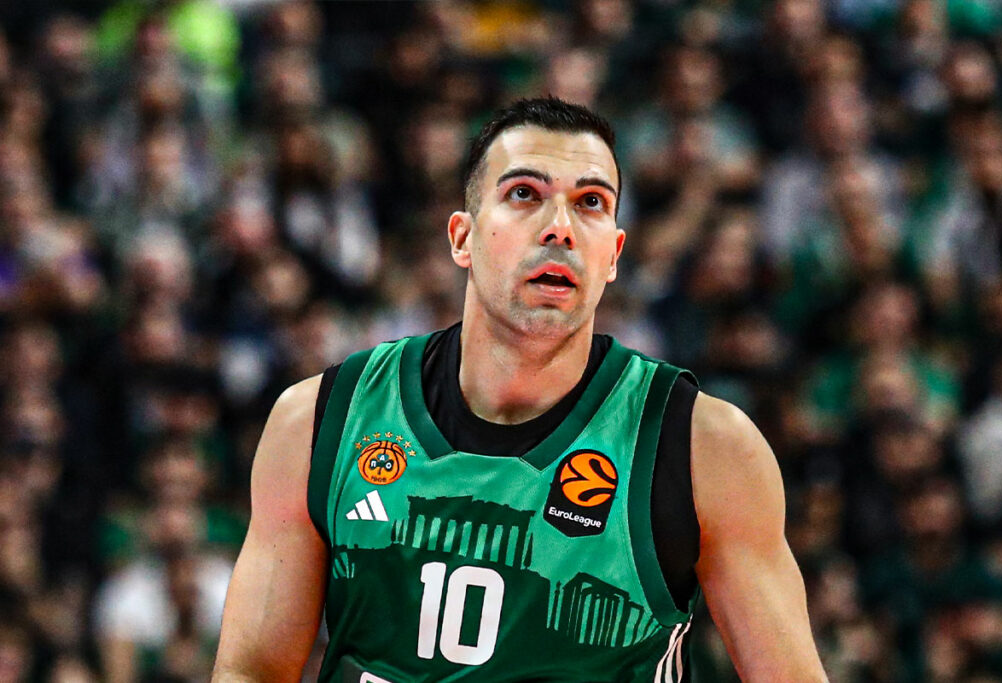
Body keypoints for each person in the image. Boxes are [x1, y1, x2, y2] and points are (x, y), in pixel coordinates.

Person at [212, 98, 827, 682]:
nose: (559, 227)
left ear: (614, 254)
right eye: (525, 194)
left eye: (590, 203)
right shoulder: (322, 420)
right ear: (462, 238)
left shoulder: (703, 447)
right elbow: (250, 669)